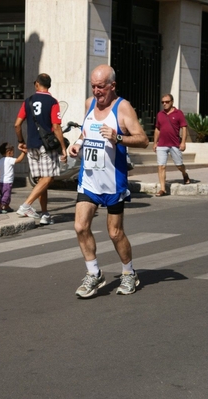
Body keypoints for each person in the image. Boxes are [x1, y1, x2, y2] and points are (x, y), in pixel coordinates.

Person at [68, 64, 149, 298]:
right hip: (89, 179)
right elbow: (86, 132)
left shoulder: (123, 108)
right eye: (93, 86)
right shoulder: (89, 104)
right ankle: (94, 274)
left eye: (101, 87)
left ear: (112, 86)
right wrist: (77, 144)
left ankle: (128, 273)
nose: (96, 91)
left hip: (113, 182)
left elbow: (143, 140)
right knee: (80, 226)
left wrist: (118, 137)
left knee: (115, 233)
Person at [14, 73, 67, 225]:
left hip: (31, 146)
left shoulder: (28, 101)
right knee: (48, 178)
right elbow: (56, 126)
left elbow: (17, 124)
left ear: (37, 84)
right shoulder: (52, 102)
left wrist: (21, 141)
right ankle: (26, 205)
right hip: (47, 146)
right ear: (48, 85)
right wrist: (63, 147)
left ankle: (44, 214)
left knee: (41, 181)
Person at [153, 94, 190, 197]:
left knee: (179, 165)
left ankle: (184, 174)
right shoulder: (160, 114)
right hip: (162, 144)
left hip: (174, 144)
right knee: (161, 166)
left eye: (167, 102)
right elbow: (157, 129)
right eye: (163, 102)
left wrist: (183, 142)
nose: (164, 104)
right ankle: (163, 189)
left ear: (172, 102)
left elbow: (184, 128)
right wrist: (155, 142)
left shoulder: (179, 113)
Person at [0, 142, 26, 214]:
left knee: (3, 194)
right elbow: (18, 160)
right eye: (13, 152)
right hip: (7, 182)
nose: (13, 154)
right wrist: (24, 153)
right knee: (6, 195)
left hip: (1, 182)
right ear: (9, 152)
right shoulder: (9, 159)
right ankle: (2, 206)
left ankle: (6, 206)